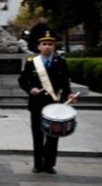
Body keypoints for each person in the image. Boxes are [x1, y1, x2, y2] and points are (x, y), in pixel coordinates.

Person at [18, 31, 77, 174]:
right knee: (38, 135)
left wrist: (69, 93)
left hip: (55, 104)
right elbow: (23, 80)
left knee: (53, 135)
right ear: (38, 47)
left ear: (54, 46)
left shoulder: (61, 62)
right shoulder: (32, 63)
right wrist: (31, 89)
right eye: (44, 44)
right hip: (37, 103)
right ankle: (38, 164)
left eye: (50, 44)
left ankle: (49, 164)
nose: (47, 47)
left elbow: (65, 83)